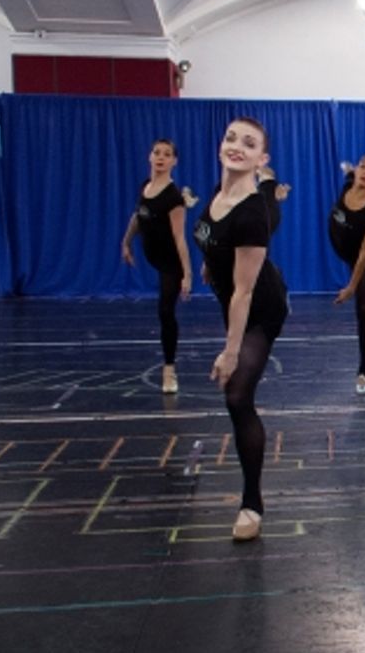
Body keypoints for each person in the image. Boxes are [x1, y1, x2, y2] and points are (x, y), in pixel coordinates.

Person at [193, 117, 288, 542]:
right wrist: (209, 262)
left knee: (237, 395)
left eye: (248, 144)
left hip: (262, 307)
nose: (236, 147)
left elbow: (245, 294)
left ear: (260, 159)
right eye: (231, 137)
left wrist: (230, 352)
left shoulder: (252, 213)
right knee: (235, 393)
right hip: (232, 299)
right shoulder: (218, 194)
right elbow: (211, 235)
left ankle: (252, 503)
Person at [121, 139, 193, 393]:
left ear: (174, 161)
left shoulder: (174, 197)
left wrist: (187, 273)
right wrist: (126, 242)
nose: (161, 157)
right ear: (150, 157)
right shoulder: (146, 186)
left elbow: (179, 237)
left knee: (165, 311)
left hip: (170, 262)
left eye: (167, 154)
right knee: (163, 310)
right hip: (151, 253)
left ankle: (169, 370)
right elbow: (138, 216)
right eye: (157, 153)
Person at [329, 155, 365, 395]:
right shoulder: (349, 183)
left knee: (363, 308)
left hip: (361, 259)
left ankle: (363, 370)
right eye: (362, 167)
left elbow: (363, 254)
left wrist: (351, 287)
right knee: (348, 172)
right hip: (340, 246)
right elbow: (351, 173)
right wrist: (349, 169)